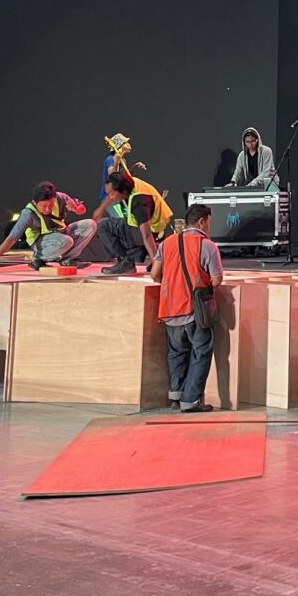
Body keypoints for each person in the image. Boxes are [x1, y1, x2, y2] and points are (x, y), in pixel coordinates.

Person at [151, 203, 224, 413]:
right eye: (209, 222)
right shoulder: (207, 245)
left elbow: (155, 274)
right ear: (202, 221)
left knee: (176, 352)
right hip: (194, 310)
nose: (209, 226)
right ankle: (190, 400)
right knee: (201, 352)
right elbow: (216, 280)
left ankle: (176, 394)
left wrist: (173, 285)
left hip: (169, 308)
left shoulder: (167, 242)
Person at [0, 181, 88, 271]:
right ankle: (38, 258)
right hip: (42, 241)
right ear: (35, 203)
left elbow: (82, 209)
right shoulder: (28, 214)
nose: (47, 209)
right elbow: (11, 238)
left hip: (61, 232)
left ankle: (67, 260)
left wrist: (75, 208)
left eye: (51, 205)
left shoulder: (62, 198)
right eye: (44, 206)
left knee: (90, 225)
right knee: (67, 241)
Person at [94, 169, 173, 275]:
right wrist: (101, 209)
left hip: (150, 231)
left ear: (123, 191)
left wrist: (157, 266)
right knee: (120, 224)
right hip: (153, 227)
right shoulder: (130, 183)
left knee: (103, 226)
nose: (111, 197)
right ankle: (152, 255)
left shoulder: (139, 202)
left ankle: (125, 263)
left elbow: (147, 236)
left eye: (112, 194)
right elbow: (113, 193)